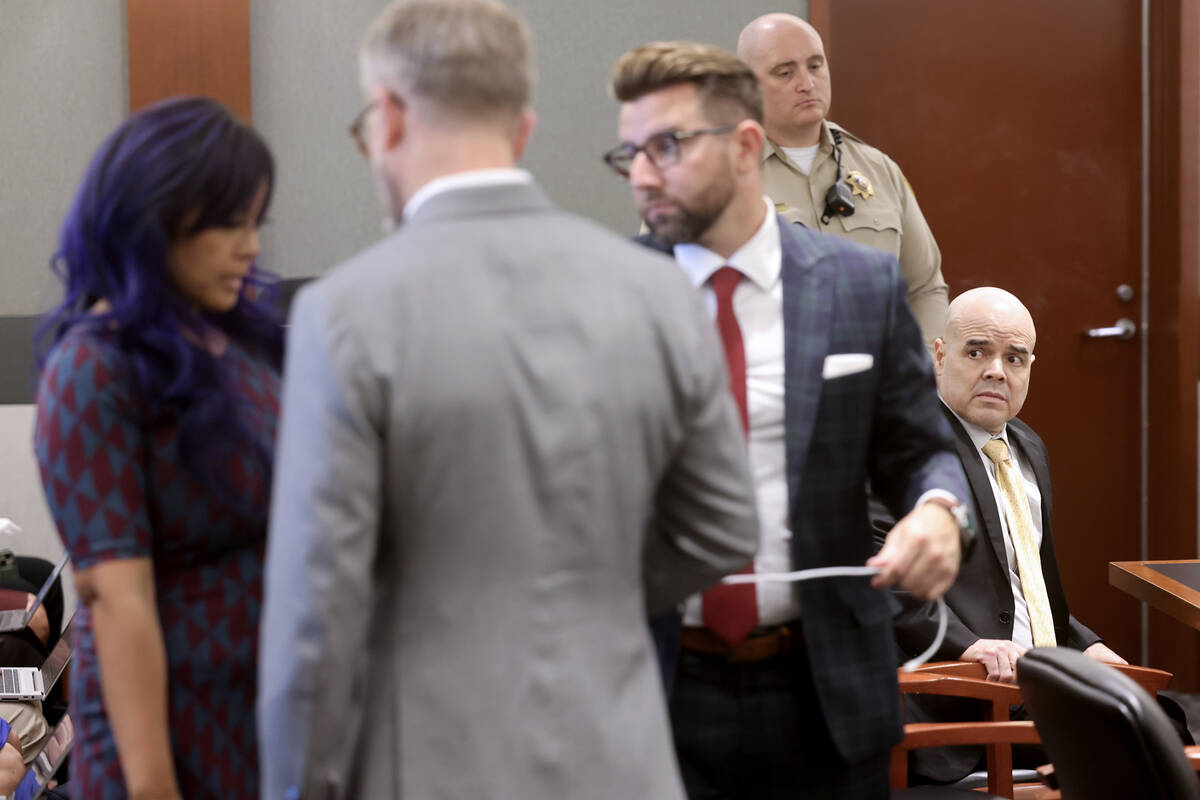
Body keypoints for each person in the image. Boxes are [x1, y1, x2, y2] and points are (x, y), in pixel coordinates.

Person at [257, 2, 759, 798]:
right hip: (622, 758)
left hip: (428, 761)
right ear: (521, 130)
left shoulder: (344, 314)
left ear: (387, 116)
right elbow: (726, 524)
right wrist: (589, 588)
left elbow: (316, 610)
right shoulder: (659, 294)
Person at [606, 40, 972, 799]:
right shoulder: (604, 296)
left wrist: (940, 512)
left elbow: (920, 451)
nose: (643, 174)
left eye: (667, 147)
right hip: (655, 688)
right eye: (631, 152)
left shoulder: (857, 286)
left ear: (745, 146)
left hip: (824, 687)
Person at [33, 96, 283, 799]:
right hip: (175, 740)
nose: (253, 246)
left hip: (267, 723)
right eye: (231, 221)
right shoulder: (93, 368)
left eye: (256, 222)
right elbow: (118, 599)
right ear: (158, 220)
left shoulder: (242, 345)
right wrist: (153, 788)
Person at [877, 287, 1128, 784]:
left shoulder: (1027, 447)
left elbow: (1026, 585)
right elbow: (890, 583)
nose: (996, 370)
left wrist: (1085, 644)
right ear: (939, 357)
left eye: (1014, 358)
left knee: (1161, 726)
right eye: (977, 352)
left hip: (1035, 685)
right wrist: (971, 646)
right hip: (952, 695)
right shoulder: (902, 448)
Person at [737, 13, 948, 350]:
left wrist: (919, 373)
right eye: (785, 72)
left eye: (816, 66)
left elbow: (925, 287)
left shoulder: (879, 169)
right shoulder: (714, 177)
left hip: (877, 389)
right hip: (771, 389)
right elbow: (673, 294)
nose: (806, 83)